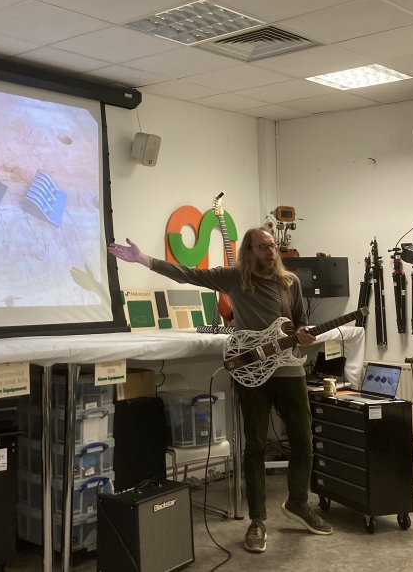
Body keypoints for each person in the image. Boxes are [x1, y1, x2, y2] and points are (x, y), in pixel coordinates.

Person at [108, 226, 333, 553]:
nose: (270, 252)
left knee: (303, 439)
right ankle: (257, 520)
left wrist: (303, 333)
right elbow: (188, 274)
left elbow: (298, 320)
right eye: (262, 247)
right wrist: (144, 259)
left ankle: (298, 502)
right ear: (248, 250)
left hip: (288, 369)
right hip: (250, 371)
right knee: (254, 445)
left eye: (272, 246)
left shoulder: (290, 283)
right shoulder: (234, 278)